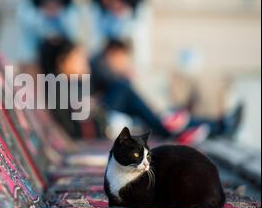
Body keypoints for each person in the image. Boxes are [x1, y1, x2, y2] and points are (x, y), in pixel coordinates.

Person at [91, 39, 244, 143]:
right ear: (113, 53)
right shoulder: (99, 65)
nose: (125, 63)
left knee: (162, 119)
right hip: (109, 113)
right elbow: (97, 97)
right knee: (127, 89)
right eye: (123, 58)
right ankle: (217, 126)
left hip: (115, 112)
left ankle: (212, 125)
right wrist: (125, 75)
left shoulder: (101, 66)